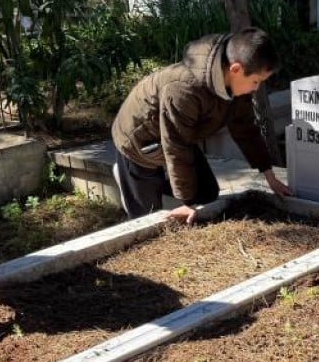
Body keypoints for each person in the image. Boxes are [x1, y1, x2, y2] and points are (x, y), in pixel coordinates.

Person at [110, 27, 292, 223]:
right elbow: (176, 146)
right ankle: (128, 177)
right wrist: (187, 202)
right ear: (235, 69)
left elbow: (245, 128)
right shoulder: (184, 89)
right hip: (139, 141)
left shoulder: (235, 83)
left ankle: (165, 182)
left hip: (178, 136)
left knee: (206, 194)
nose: (256, 88)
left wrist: (269, 175)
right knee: (145, 217)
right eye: (256, 81)